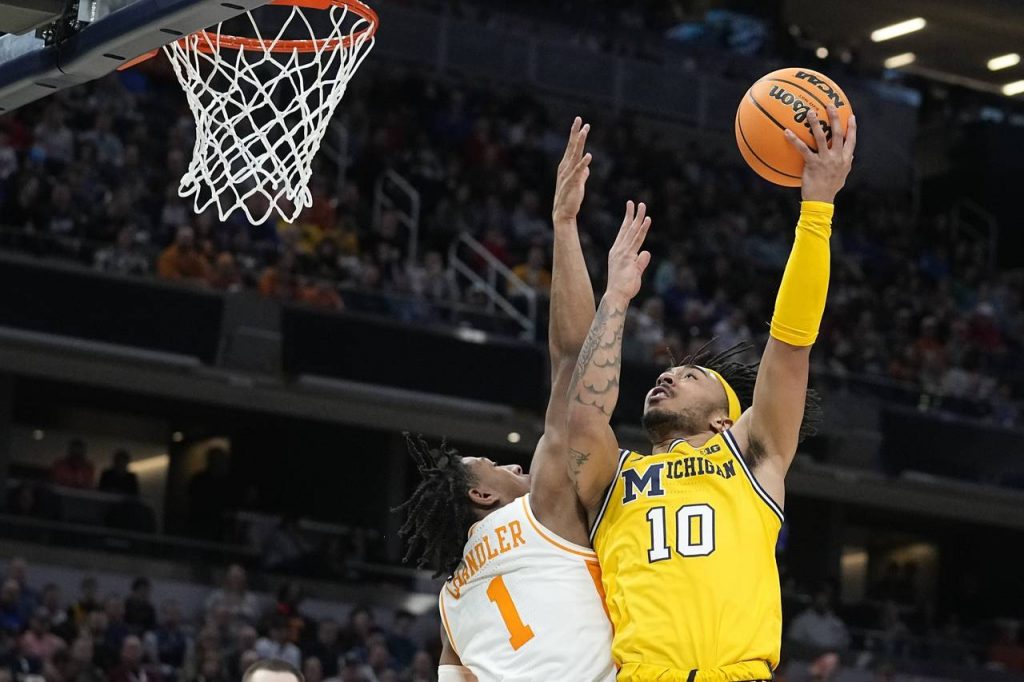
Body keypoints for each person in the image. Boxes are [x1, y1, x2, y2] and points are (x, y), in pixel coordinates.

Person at [566, 105, 856, 680]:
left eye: (690, 377)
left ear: (726, 419)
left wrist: (817, 210)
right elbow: (582, 418)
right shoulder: (612, 477)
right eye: (667, 375)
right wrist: (615, 299)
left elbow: (790, 345)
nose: (667, 377)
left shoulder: (751, 454)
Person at [394, 118, 615, 681]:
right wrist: (564, 225)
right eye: (494, 465)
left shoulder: (450, 603)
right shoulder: (543, 508)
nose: (514, 465)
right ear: (482, 493)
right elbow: (574, 359)